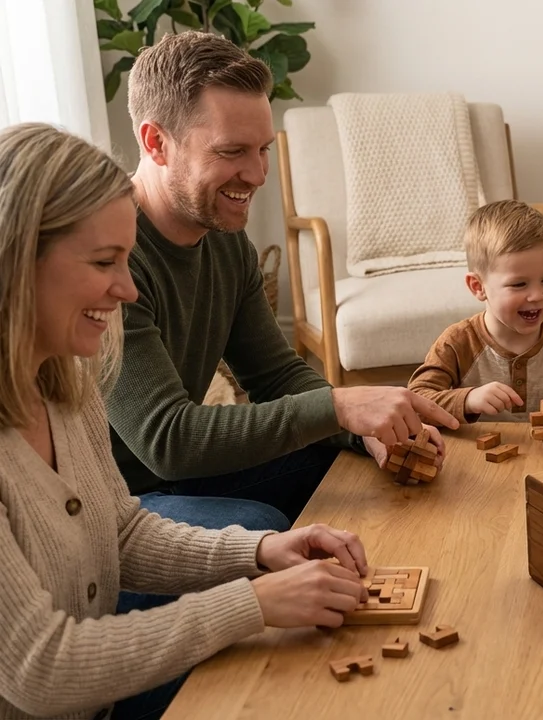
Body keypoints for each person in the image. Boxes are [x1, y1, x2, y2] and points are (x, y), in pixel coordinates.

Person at [0, 122, 374, 720]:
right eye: (104, 262)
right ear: (16, 262)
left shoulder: (66, 384)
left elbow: (122, 532)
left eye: (126, 260)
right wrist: (250, 603)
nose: (126, 289)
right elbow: (42, 669)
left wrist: (261, 552)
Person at [107, 32, 458, 533]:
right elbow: (169, 440)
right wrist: (341, 405)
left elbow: (276, 378)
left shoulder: (226, 243)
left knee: (346, 467)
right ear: (156, 142)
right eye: (232, 152)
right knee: (260, 526)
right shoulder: (105, 254)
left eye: (263, 150)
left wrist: (367, 433)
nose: (256, 174)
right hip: (112, 506)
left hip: (180, 479)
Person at [407, 200, 543, 427]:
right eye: (519, 284)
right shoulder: (457, 342)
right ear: (478, 287)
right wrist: (468, 399)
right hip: (478, 459)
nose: (537, 296)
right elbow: (415, 404)